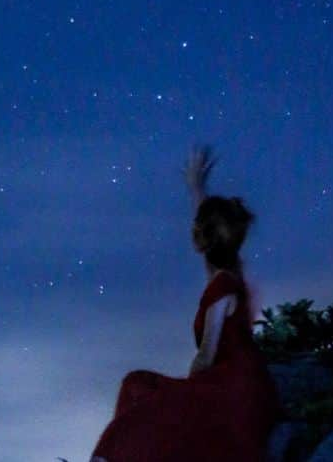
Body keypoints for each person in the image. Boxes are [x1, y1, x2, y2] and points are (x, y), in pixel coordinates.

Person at [88, 144, 281, 462]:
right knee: (138, 385)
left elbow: (205, 357)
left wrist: (184, 398)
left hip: (235, 392)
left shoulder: (222, 289)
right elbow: (216, 242)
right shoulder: (231, 275)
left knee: (144, 398)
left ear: (201, 240)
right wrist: (197, 190)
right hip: (245, 382)